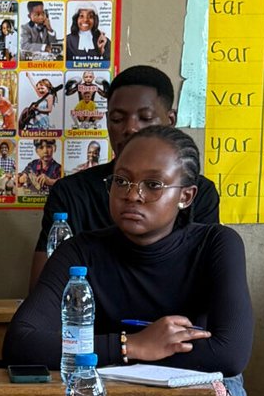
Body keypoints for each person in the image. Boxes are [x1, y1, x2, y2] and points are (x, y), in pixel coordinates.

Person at [6, 126, 253, 396]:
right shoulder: (79, 251)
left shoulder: (217, 245)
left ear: (186, 196)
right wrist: (133, 346)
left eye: (153, 185)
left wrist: (113, 352)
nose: (132, 195)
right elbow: (22, 341)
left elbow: (230, 353)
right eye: (121, 181)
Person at [28, 65, 218, 285]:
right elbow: (43, 291)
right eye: (117, 119)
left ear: (171, 120)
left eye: (145, 118)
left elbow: (205, 286)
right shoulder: (71, 192)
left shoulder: (199, 193)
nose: (131, 129)